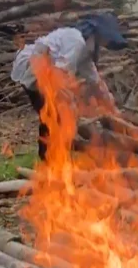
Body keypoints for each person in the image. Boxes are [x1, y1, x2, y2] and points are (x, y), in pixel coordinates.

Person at [10, 13, 126, 160]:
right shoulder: (76, 41)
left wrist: (113, 110)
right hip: (35, 70)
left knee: (58, 115)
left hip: (47, 74)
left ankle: (55, 157)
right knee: (55, 115)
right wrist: (71, 103)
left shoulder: (84, 51)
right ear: (97, 34)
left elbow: (96, 83)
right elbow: (59, 74)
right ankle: (50, 159)